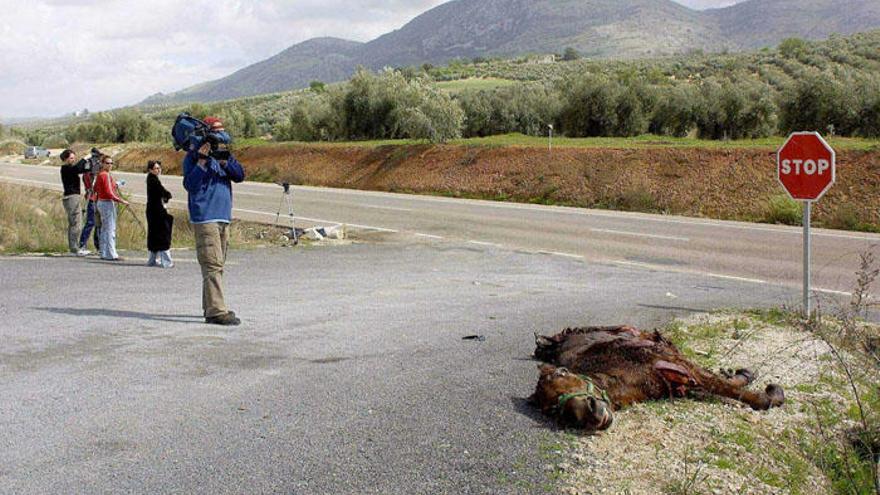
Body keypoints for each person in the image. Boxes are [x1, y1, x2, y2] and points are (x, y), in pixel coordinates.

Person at [183, 117, 245, 326]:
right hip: (205, 216)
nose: (220, 137)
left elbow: (240, 175)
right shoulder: (192, 158)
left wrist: (224, 162)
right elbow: (190, 185)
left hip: (222, 216)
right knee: (212, 264)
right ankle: (217, 311)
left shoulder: (223, 156)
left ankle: (211, 307)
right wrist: (201, 161)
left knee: (217, 264)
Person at [94, 155, 129, 261]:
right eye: (107, 163)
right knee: (110, 228)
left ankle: (104, 252)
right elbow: (109, 192)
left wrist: (116, 184)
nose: (109, 165)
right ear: (102, 164)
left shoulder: (101, 175)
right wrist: (121, 200)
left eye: (111, 163)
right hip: (106, 203)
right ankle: (112, 254)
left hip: (101, 202)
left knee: (104, 228)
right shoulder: (105, 175)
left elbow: (96, 188)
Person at [58, 149, 89, 256]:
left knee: (75, 223)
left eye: (74, 157)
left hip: (73, 197)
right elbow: (77, 168)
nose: (73, 159)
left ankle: (74, 247)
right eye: (71, 158)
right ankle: (74, 248)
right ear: (65, 159)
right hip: (71, 197)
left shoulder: (70, 169)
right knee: (76, 223)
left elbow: (82, 170)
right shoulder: (66, 168)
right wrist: (85, 158)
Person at [145, 160, 174, 268]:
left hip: (153, 210)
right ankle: (166, 261)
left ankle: (152, 260)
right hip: (156, 211)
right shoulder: (153, 180)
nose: (158, 170)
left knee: (154, 234)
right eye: (156, 168)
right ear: (150, 170)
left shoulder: (152, 179)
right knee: (162, 233)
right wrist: (167, 195)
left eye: (159, 168)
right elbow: (163, 192)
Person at [79, 148, 102, 252]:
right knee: (91, 222)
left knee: (99, 223)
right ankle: (82, 244)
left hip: (98, 198)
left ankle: (99, 246)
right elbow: (90, 186)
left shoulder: (97, 170)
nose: (97, 161)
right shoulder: (88, 172)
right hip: (92, 198)